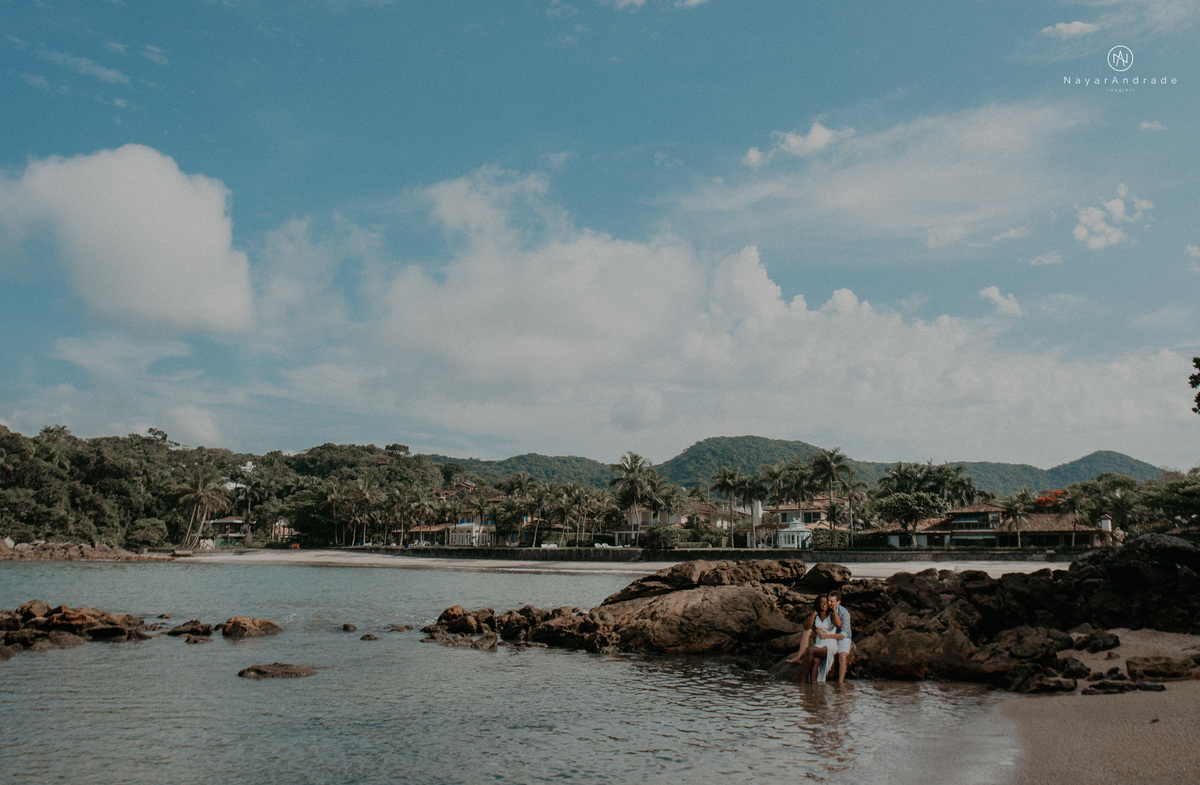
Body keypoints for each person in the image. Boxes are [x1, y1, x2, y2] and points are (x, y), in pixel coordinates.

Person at [785, 595, 838, 682]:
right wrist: (814, 614)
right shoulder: (816, 616)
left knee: (810, 651)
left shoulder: (831, 615)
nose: (825, 604)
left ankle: (804, 679)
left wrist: (834, 610)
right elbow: (806, 627)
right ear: (818, 604)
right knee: (815, 662)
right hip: (819, 643)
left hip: (829, 644)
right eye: (822, 602)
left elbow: (839, 624)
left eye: (826, 602)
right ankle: (813, 687)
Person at [826, 589, 852, 684]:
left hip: (842, 637)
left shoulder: (844, 613)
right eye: (828, 600)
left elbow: (844, 633)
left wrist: (828, 636)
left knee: (842, 657)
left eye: (831, 601)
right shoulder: (825, 609)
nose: (829, 603)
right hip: (829, 634)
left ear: (838, 602)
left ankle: (840, 682)